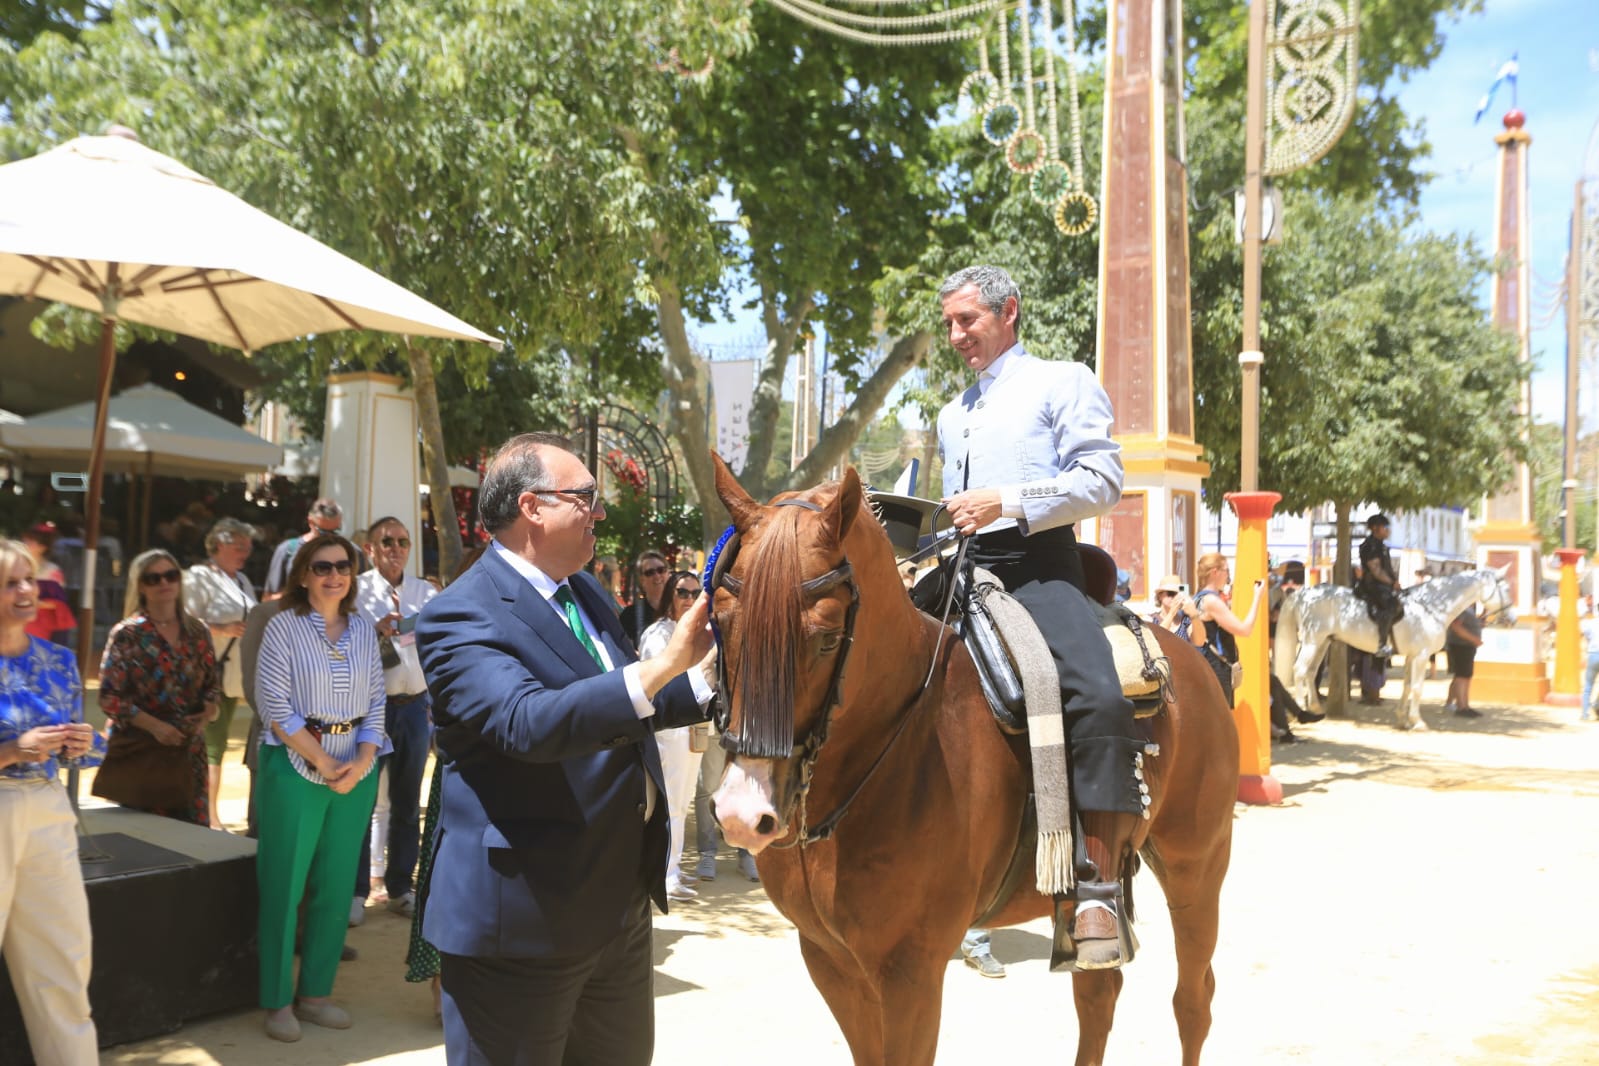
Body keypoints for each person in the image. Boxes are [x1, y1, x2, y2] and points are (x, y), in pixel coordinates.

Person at [416, 431, 716, 1065]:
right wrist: (662, 666)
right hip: (522, 922)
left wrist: (717, 681)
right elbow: (527, 723)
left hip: (618, 910)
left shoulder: (584, 593)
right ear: (532, 507)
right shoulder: (458, 615)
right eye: (586, 497)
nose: (600, 511)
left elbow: (627, 702)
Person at [935, 264, 1145, 972]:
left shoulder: (1063, 380)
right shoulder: (950, 413)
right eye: (949, 325)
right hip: (959, 570)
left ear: (1008, 312)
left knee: (1097, 691)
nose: (956, 336)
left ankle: (1096, 885)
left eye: (967, 320)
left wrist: (1007, 500)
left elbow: (1102, 480)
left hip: (1038, 566)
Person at [253, 534, 388, 1043]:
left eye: (343, 566)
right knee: (284, 886)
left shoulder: (362, 630)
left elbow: (377, 702)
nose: (334, 575)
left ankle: (315, 995)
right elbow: (275, 706)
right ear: (303, 574)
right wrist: (325, 761)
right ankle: (276, 1000)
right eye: (323, 566)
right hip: (294, 763)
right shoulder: (281, 627)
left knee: (335, 888)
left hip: (357, 765)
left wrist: (361, 761)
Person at [0, 538, 104, 1065]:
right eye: (10, 582)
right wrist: (12, 750)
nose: (26, 591)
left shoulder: (60, 661)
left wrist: (80, 744)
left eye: (29, 580)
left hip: (46, 808)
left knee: (62, 962)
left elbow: (82, 752)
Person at [353, 516, 437, 921]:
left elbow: (441, 644)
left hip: (415, 708)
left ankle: (401, 885)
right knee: (361, 800)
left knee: (407, 802)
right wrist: (374, 631)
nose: (396, 548)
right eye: (387, 541)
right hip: (372, 709)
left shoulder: (425, 592)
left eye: (403, 541)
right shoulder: (355, 590)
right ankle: (355, 893)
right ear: (371, 548)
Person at [97, 550, 219, 826]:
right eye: (154, 578)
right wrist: (155, 727)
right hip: (143, 753)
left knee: (193, 838)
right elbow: (109, 698)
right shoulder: (127, 634)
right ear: (140, 586)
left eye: (171, 575)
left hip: (188, 753)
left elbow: (212, 687)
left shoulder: (198, 631)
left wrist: (209, 711)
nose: (164, 583)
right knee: (144, 839)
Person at [638, 569, 709, 902]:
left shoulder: (694, 632)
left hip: (692, 728)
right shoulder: (659, 633)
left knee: (683, 803)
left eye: (695, 593)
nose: (689, 599)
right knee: (672, 805)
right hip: (669, 730)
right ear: (670, 595)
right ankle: (666, 875)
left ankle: (673, 870)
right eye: (683, 592)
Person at [184, 517, 260, 829]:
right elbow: (183, 622)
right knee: (211, 748)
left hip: (229, 680)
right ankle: (209, 818)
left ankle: (206, 814)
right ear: (217, 545)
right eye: (238, 545)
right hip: (203, 677)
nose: (245, 551)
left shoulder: (240, 580)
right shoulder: (197, 577)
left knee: (215, 746)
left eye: (248, 546)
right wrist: (222, 629)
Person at [1191, 552, 1264, 707]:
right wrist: (1258, 597)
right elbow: (1245, 630)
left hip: (1204, 665)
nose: (1228, 576)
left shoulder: (1197, 598)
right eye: (1226, 571)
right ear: (1215, 572)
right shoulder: (1211, 601)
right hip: (1216, 667)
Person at [263, 497, 343, 600]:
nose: (329, 537)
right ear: (310, 522)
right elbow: (267, 599)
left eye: (335, 532)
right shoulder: (287, 550)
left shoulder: (350, 552)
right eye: (323, 532)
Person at [20, 523, 75, 647]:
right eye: (25, 540)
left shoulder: (52, 571)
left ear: (42, 547)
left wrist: (30, 604)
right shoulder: (15, 567)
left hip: (40, 623)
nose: (25, 543)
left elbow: (57, 603)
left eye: (30, 541)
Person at [1357, 513, 1402, 658]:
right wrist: (1392, 582)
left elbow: (1387, 568)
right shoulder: (1369, 546)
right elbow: (1376, 571)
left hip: (1385, 585)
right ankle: (1381, 644)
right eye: (1385, 527)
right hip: (1373, 585)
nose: (1387, 530)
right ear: (1375, 528)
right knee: (1389, 606)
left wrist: (1395, 581)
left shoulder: (1381, 546)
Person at [619, 548, 670, 648]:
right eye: (650, 572)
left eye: (661, 570)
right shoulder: (630, 615)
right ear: (642, 580)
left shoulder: (681, 607)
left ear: (668, 573)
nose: (657, 576)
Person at [1444, 604, 1485, 719]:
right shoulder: (1461, 608)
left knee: (1466, 676)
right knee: (1461, 676)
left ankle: (1465, 706)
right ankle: (1461, 707)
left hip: (1466, 646)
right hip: (1460, 645)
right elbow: (1456, 627)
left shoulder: (1468, 609)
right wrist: (1474, 639)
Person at [1150, 575, 1205, 647]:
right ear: (1160, 596)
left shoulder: (1185, 620)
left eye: (1177, 594)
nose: (1175, 597)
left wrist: (1194, 615)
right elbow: (1156, 641)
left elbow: (1199, 642)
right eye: (1171, 593)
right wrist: (1171, 613)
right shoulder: (1150, 619)